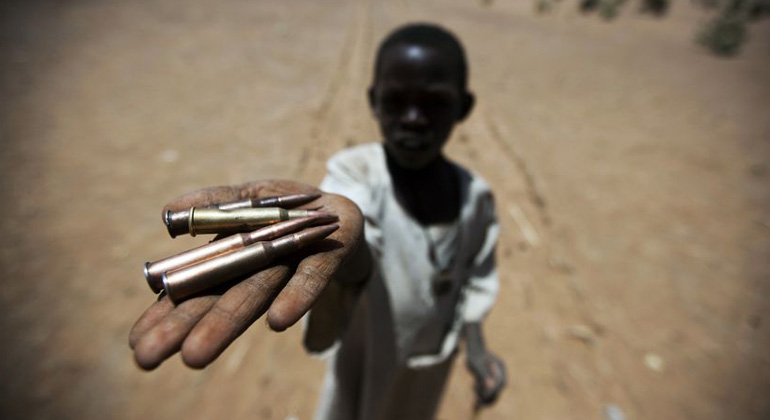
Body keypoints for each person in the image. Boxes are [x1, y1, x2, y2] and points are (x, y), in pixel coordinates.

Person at [128, 23, 504, 420]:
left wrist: (477, 352)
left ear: (463, 108)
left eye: (434, 103)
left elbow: (475, 283)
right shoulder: (355, 172)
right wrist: (349, 243)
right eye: (396, 101)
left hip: (430, 373)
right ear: (374, 102)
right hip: (364, 363)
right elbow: (348, 224)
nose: (413, 118)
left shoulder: (475, 196)